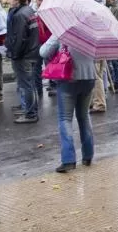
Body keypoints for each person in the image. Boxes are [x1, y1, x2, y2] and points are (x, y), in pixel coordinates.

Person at [40, 35, 97, 173]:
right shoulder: (91, 32)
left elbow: (43, 52)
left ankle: (68, 160)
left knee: (65, 119)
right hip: (89, 77)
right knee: (84, 116)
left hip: (69, 77)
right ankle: (88, 155)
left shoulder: (62, 31)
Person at [6, 0, 41, 123]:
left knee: (26, 85)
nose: (7, 1)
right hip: (31, 52)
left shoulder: (20, 15)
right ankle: (30, 109)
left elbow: (19, 38)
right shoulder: (28, 10)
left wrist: (14, 53)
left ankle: (30, 113)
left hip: (24, 55)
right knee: (29, 84)